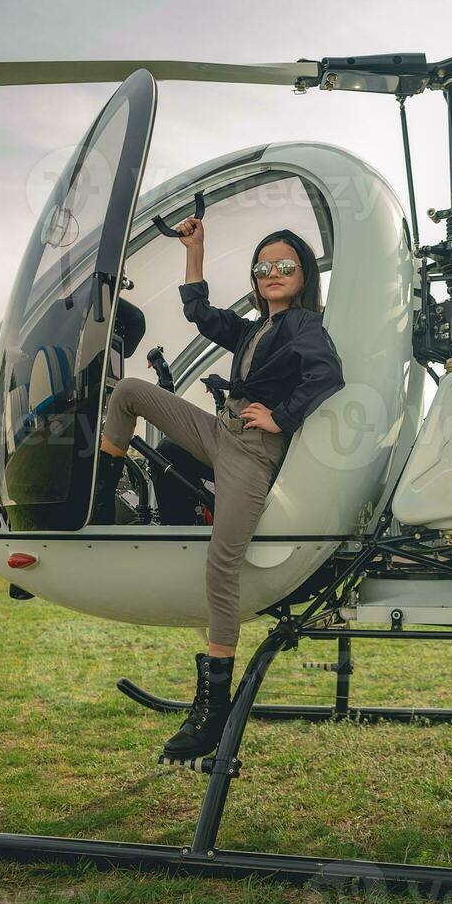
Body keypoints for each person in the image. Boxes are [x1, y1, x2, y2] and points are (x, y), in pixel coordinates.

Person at [92, 219, 345, 758]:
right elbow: (199, 314)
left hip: (251, 453)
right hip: (218, 431)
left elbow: (327, 376)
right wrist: (195, 249)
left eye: (284, 267)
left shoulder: (305, 326)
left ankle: (211, 711)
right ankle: (100, 502)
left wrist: (280, 417)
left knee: (222, 564)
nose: (272, 274)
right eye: (263, 267)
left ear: (302, 275)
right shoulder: (253, 327)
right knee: (131, 392)